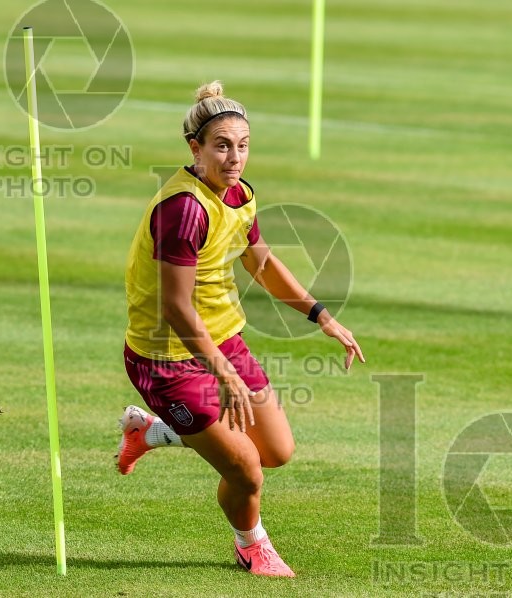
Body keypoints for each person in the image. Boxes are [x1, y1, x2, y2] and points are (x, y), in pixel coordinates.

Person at [118, 81, 365, 578]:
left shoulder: (240, 194)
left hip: (223, 339)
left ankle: (154, 431)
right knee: (246, 470)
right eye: (222, 145)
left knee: (276, 451)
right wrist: (222, 371)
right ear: (196, 147)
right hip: (166, 357)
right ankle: (251, 545)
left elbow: (262, 263)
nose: (235, 158)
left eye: (243, 146)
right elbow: (175, 307)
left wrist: (322, 316)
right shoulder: (183, 209)